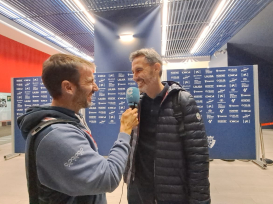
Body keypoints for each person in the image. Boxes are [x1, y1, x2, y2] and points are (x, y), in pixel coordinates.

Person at [17, 53, 139, 204]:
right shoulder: (57, 136)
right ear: (68, 87)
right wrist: (125, 131)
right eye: (90, 82)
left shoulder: (69, 120)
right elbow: (109, 177)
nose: (96, 87)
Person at [124, 48, 211, 204]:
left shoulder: (182, 101)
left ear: (156, 68)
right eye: (133, 72)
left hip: (171, 193)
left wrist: (200, 199)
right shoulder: (137, 105)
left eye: (139, 70)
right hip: (139, 192)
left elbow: (198, 156)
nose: (134, 77)